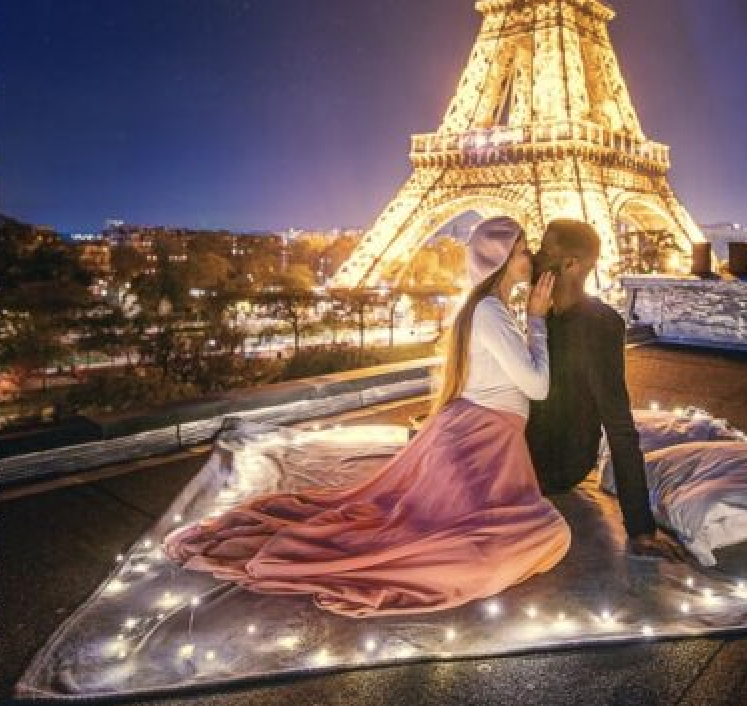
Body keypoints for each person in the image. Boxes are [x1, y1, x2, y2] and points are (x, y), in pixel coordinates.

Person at [164, 216, 570, 617]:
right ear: (498, 259)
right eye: (520, 252)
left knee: (511, 536)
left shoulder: (487, 308)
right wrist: (537, 320)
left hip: (479, 440)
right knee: (504, 544)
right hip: (478, 442)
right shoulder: (490, 312)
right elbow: (537, 387)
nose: (529, 258)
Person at [526, 219, 690, 562]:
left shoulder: (596, 326)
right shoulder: (548, 316)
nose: (534, 257)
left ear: (571, 264)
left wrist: (641, 528)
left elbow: (619, 425)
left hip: (554, 463)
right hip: (531, 449)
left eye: (544, 251)